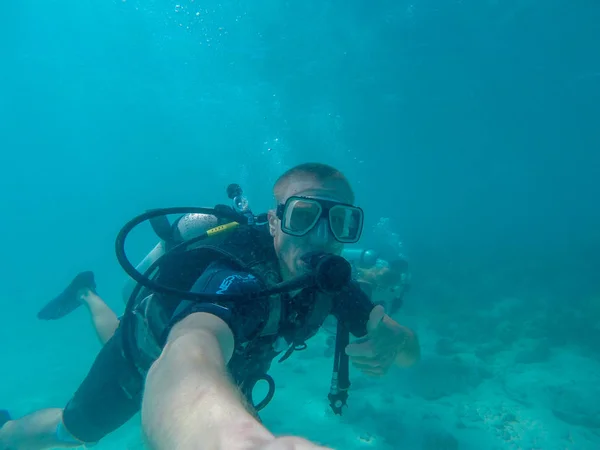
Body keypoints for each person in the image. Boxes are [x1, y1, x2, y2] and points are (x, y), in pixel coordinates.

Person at [0, 163, 420, 450]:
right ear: (274, 222)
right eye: (303, 216)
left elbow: (407, 356)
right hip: (142, 357)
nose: (321, 236)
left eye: (342, 223)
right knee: (73, 433)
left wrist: (401, 340)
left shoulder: (333, 283)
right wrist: (238, 440)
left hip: (217, 367)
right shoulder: (235, 277)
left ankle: (85, 294)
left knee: (116, 334)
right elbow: (190, 350)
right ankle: (6, 427)